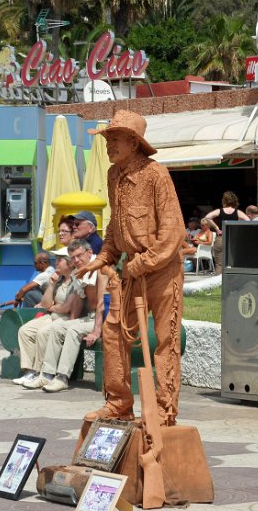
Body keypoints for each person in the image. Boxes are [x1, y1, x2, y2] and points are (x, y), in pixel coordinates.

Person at [77, 110, 186, 425]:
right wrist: (104, 256)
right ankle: (119, 403)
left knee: (166, 340)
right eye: (107, 139)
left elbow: (173, 232)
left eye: (115, 139)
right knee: (113, 333)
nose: (109, 145)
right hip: (130, 272)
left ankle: (164, 411)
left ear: (135, 143)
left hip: (162, 271)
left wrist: (143, 262)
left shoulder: (156, 175)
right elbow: (116, 225)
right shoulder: (114, 176)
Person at [40, 238, 108, 393]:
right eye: (73, 258)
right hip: (88, 318)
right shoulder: (79, 272)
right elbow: (78, 300)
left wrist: (97, 331)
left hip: (105, 320)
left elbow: (101, 304)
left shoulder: (101, 269)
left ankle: (62, 377)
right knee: (58, 327)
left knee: (74, 330)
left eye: (79, 256)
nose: (76, 260)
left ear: (89, 253)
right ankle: (47, 375)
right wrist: (72, 322)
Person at [13, 247, 79, 386]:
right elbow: (45, 303)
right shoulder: (57, 279)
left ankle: (41, 372)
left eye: (60, 260)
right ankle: (30, 371)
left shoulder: (76, 280)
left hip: (66, 318)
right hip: (53, 315)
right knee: (25, 331)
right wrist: (51, 285)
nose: (56, 263)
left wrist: (52, 307)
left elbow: (67, 308)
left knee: (43, 333)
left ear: (70, 263)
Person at [205, 191, 249, 275]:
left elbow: (208, 217)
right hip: (233, 239)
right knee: (231, 263)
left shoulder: (219, 211)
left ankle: (217, 285)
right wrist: (237, 228)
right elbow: (247, 220)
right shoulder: (237, 212)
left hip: (221, 238)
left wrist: (216, 228)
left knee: (219, 264)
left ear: (224, 201)